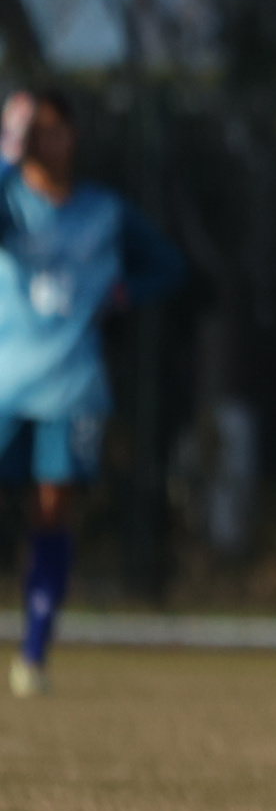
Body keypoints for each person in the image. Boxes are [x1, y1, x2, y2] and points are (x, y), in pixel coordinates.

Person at [0, 86, 183, 696]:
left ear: (70, 134)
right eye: (31, 130)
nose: (40, 141)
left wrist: (123, 295)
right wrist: (5, 151)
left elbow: (167, 266)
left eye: (50, 128)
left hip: (72, 385)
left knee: (51, 513)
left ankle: (32, 654)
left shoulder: (104, 210)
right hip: (6, 383)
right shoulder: (10, 200)